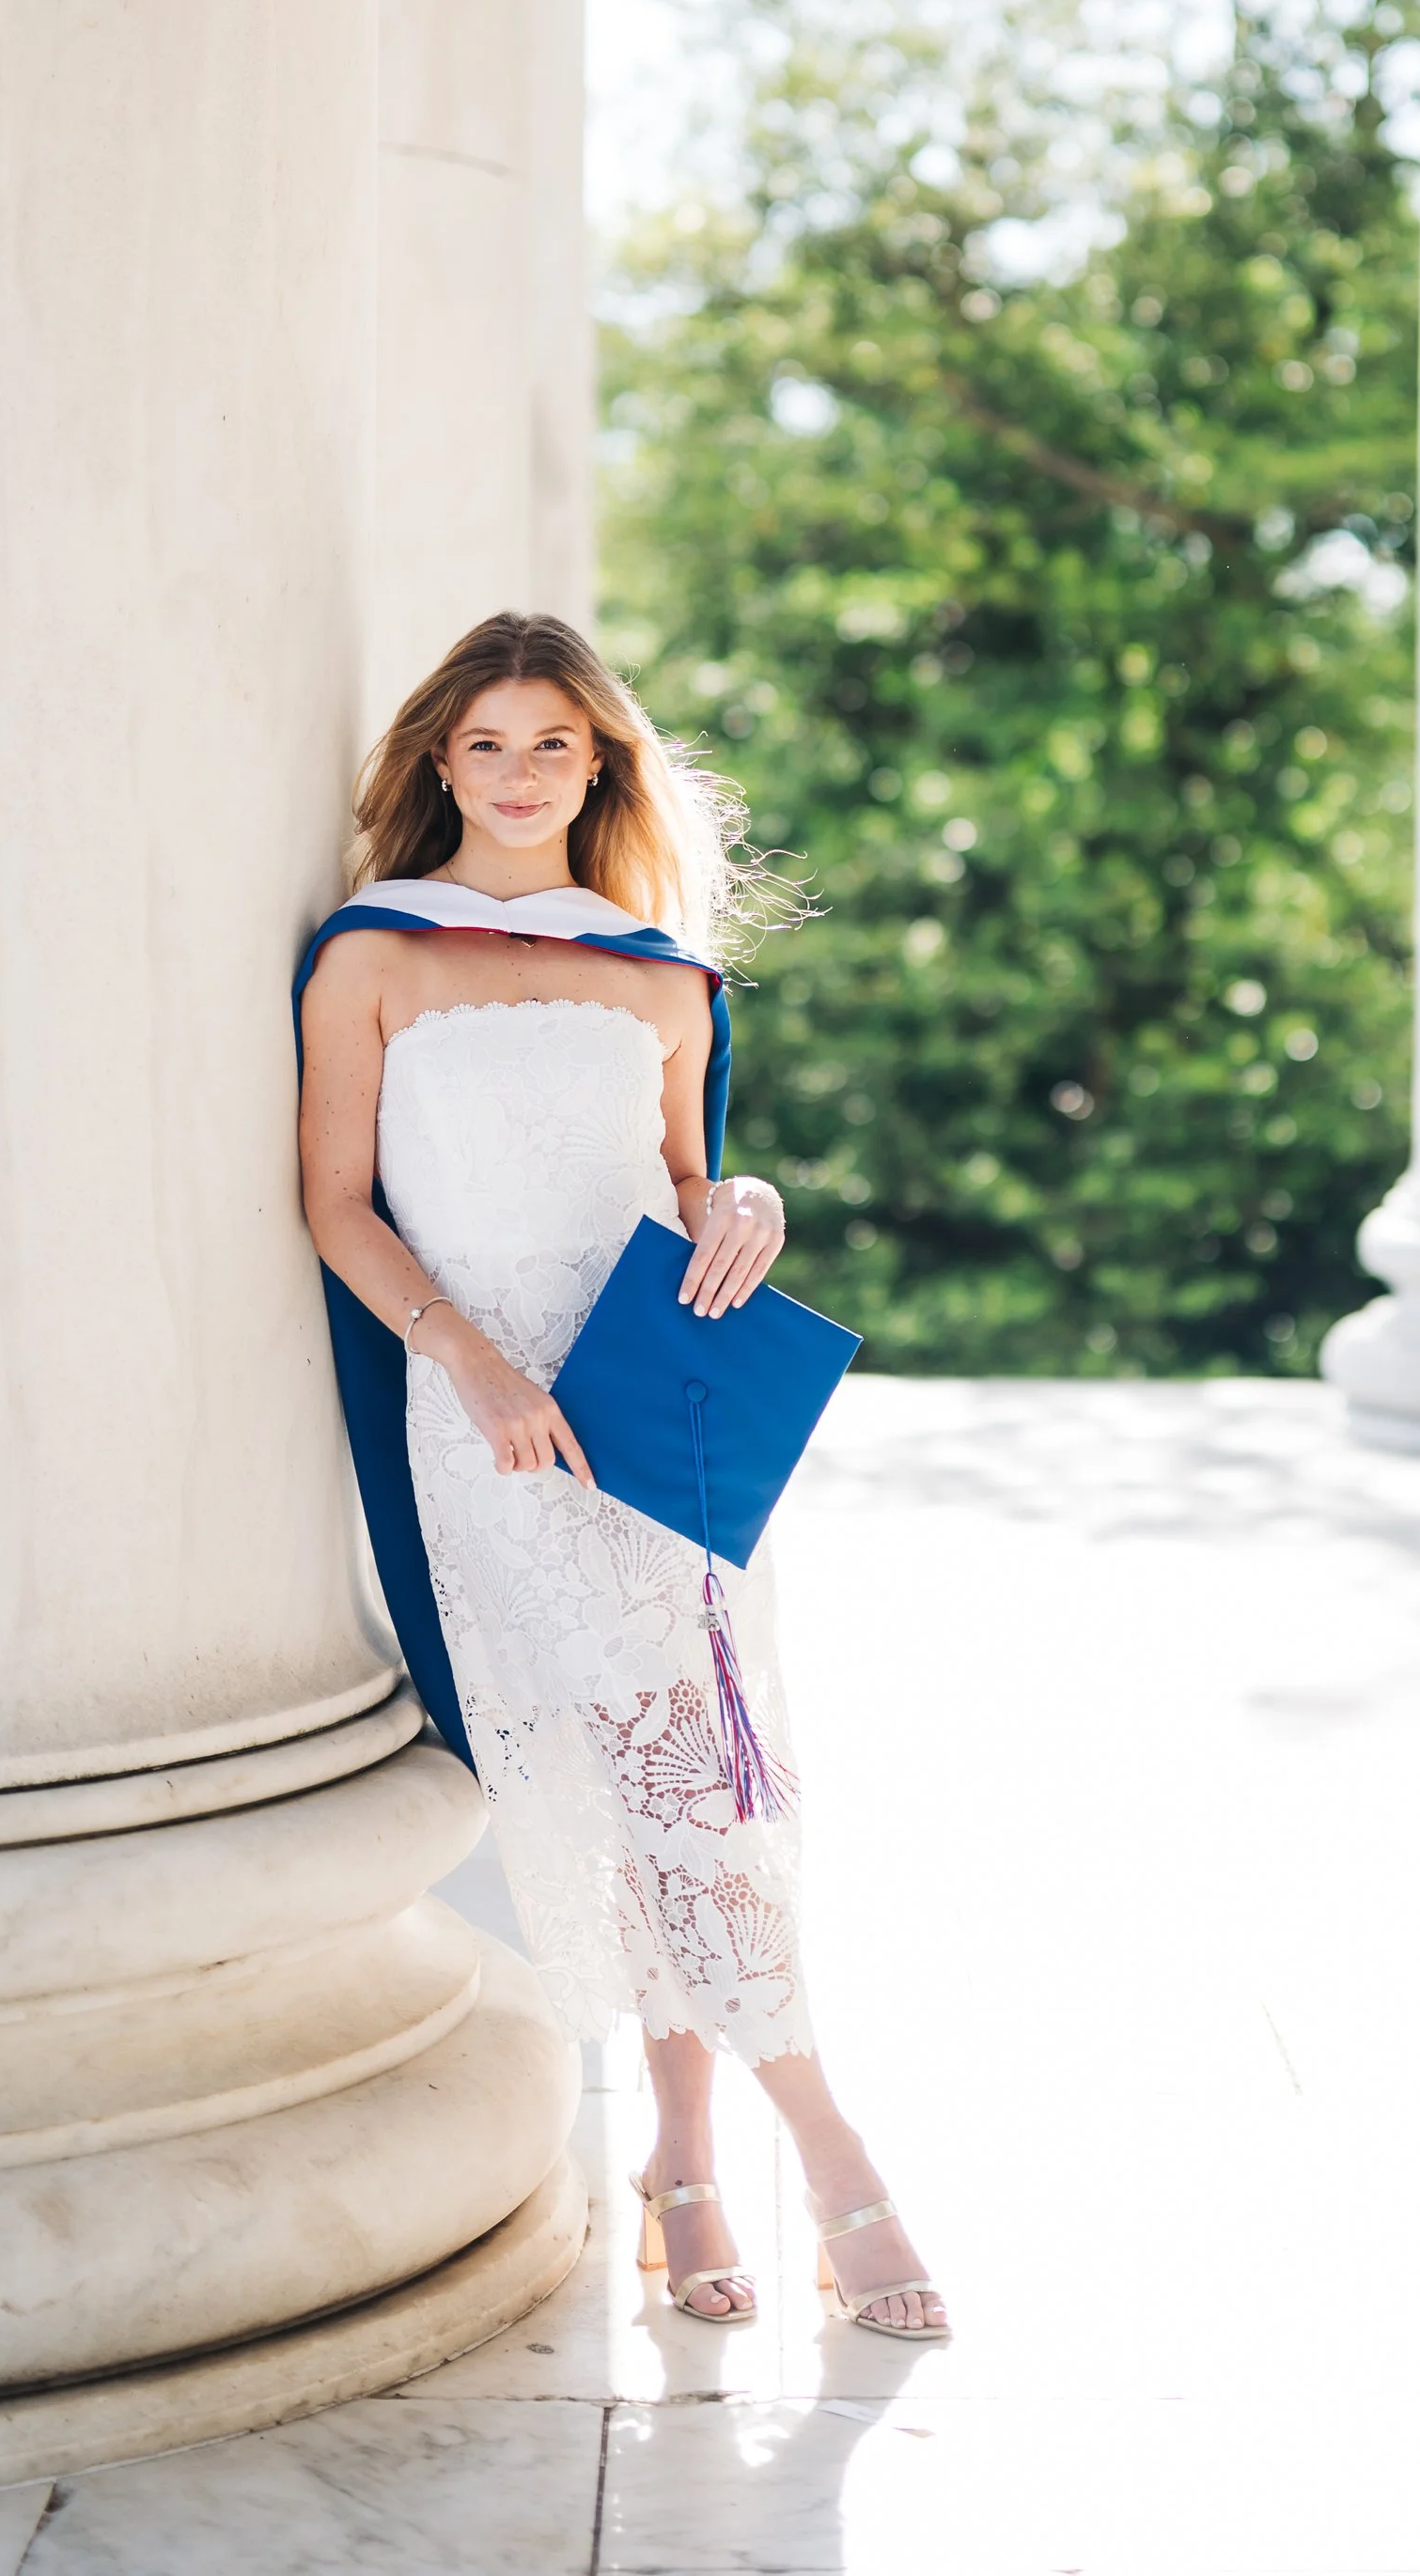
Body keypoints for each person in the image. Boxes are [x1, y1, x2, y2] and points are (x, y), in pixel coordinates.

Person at [297, 610, 946, 2339]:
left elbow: (686, 1182)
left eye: (554, 747)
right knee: (651, 1773)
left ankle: (683, 2163)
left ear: (603, 769)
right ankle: (837, 2158)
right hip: (492, 1409)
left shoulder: (661, 971)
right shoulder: (369, 955)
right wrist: (474, 1362)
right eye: (489, 745)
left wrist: (751, 1201)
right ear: (443, 760)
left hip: (649, 1408)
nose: (519, 778)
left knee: (697, 1779)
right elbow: (336, 1205)